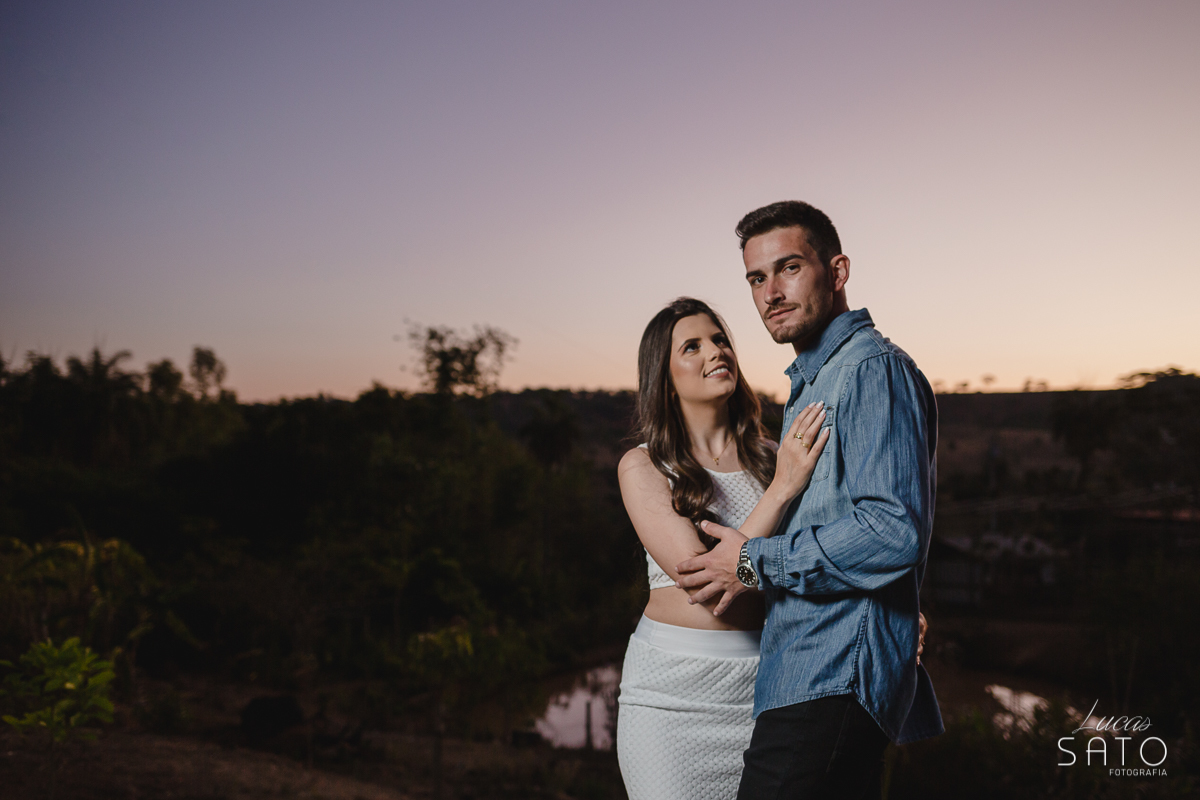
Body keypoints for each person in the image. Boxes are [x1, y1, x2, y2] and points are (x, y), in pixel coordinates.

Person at [676, 201, 943, 799]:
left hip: (833, 674)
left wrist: (753, 562)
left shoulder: (870, 369)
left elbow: (892, 530)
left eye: (789, 268)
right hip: (803, 673)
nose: (771, 293)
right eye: (756, 278)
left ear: (838, 271)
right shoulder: (814, 383)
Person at [615, 297, 830, 800]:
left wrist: (895, 611)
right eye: (692, 346)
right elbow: (705, 581)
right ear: (665, 378)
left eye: (719, 340)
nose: (716, 351)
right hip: (670, 700)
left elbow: (821, 554)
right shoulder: (644, 466)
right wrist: (782, 489)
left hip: (766, 690)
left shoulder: (776, 457)